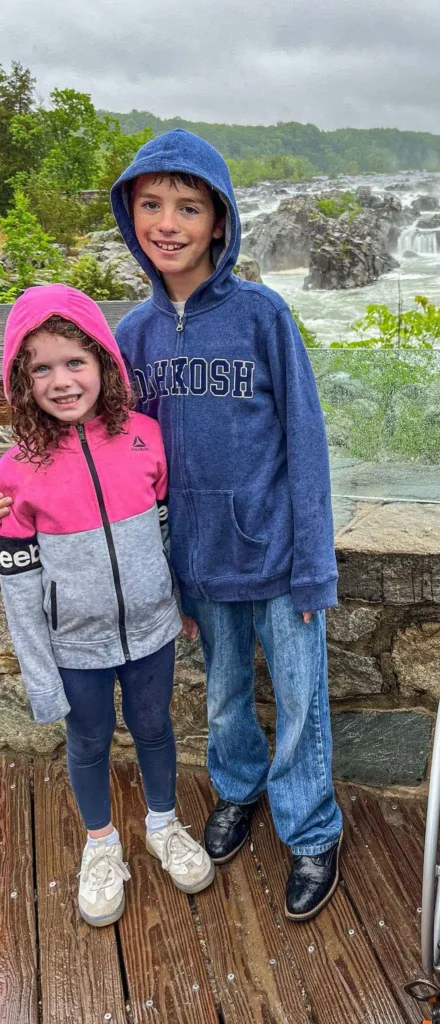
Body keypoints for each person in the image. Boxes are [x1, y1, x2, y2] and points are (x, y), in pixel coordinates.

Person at [107, 128, 342, 921]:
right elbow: (118, 461)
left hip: (277, 555)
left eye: (189, 206)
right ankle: (238, 793)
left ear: (220, 222)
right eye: (151, 204)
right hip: (197, 564)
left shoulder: (261, 316)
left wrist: (315, 564)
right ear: (130, 215)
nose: (167, 222)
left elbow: (305, 446)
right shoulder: (132, 338)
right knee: (225, 697)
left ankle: (312, 830)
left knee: (304, 699)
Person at [0, 284, 213, 928]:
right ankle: (100, 844)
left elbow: (170, 529)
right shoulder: (15, 471)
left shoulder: (146, 437)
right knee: (89, 740)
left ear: (105, 364)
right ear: (20, 379)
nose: (61, 381)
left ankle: (163, 823)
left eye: (75, 362)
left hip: (151, 630)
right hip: (74, 645)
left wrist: (181, 603)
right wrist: (39, 671)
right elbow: (17, 581)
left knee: (154, 728)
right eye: (41, 368)